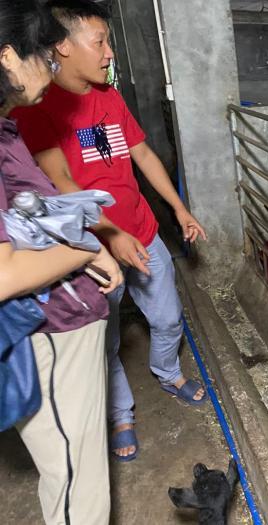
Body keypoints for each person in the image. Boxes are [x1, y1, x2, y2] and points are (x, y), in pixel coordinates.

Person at [12, 0, 208, 463]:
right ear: (62, 46)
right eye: (99, 41)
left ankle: (167, 371)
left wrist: (178, 208)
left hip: (143, 230)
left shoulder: (110, 97)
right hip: (89, 250)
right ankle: (120, 411)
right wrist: (110, 234)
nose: (109, 53)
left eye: (108, 42)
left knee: (167, 317)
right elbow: (61, 181)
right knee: (106, 339)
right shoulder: (37, 107)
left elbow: (142, 156)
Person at [0, 1, 123, 522]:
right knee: (78, 486)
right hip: (48, 329)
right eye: (44, 57)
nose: (51, 70)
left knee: (77, 471)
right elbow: (3, 274)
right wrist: (87, 246)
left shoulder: (7, 128)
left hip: (63, 319)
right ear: (8, 56)